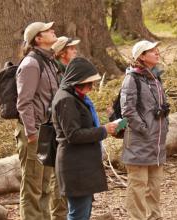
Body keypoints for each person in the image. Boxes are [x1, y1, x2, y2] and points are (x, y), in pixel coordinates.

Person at [52, 57, 118, 220]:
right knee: (78, 214)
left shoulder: (75, 97)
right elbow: (73, 135)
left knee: (83, 212)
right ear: (76, 81)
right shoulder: (66, 100)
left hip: (82, 165)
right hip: (75, 167)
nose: (91, 87)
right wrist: (103, 130)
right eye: (88, 83)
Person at [120, 40, 169, 220]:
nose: (157, 53)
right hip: (139, 142)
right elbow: (128, 110)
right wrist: (145, 129)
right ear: (141, 56)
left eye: (157, 50)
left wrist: (164, 126)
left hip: (157, 143)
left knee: (154, 186)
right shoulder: (131, 78)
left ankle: (154, 217)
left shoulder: (155, 77)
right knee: (138, 186)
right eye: (152, 51)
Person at [15, 21, 58, 219]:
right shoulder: (31, 63)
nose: (53, 31)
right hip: (34, 132)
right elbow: (24, 102)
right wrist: (31, 132)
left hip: (48, 130)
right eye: (47, 30)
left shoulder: (48, 61)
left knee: (45, 185)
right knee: (32, 186)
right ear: (38, 39)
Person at [49, 35, 81, 220]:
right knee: (57, 176)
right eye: (71, 49)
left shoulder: (69, 72)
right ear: (61, 53)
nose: (75, 51)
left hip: (70, 128)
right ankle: (59, 216)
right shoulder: (57, 74)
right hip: (57, 130)